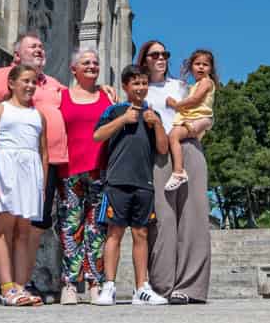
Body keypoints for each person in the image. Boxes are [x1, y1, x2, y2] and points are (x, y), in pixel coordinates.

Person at [139, 40, 212, 304]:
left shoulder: (181, 86)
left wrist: (198, 128)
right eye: (154, 54)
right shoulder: (141, 89)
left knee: (193, 218)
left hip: (188, 147)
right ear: (144, 59)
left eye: (165, 54)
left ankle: (190, 287)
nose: (161, 58)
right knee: (163, 219)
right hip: (158, 154)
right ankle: (162, 285)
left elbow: (206, 114)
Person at [92, 64, 169, 306]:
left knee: (141, 234)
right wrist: (124, 119)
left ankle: (141, 288)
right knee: (114, 233)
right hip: (117, 180)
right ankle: (109, 286)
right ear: (125, 86)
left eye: (144, 83)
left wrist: (155, 124)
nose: (140, 87)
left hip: (143, 182)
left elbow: (163, 148)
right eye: (135, 83)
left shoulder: (152, 114)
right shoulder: (114, 110)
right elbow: (97, 135)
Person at [0, 64, 49, 307]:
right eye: (26, 81)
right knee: (4, 228)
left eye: (34, 82)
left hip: (30, 172)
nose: (30, 86)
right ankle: (6, 287)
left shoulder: (38, 115)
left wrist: (41, 183)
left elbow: (43, 153)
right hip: (6, 169)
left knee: (24, 231)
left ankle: (21, 285)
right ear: (11, 83)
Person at [55, 49, 113, 305]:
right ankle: (69, 284)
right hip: (70, 170)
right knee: (70, 228)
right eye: (85, 62)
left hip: (101, 170)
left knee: (97, 229)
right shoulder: (62, 97)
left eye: (95, 63)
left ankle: (94, 283)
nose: (91, 66)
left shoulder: (108, 96)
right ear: (73, 69)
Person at [163, 49, 217, 192]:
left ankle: (179, 171)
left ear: (210, 68)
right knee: (176, 136)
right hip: (194, 119)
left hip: (199, 118)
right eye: (197, 63)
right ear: (191, 66)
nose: (201, 67)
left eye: (205, 64)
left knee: (173, 136)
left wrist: (175, 105)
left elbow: (195, 100)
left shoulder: (206, 82)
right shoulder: (194, 86)